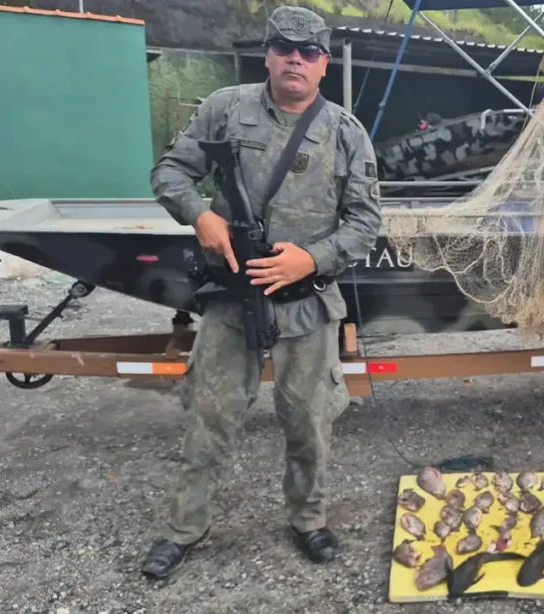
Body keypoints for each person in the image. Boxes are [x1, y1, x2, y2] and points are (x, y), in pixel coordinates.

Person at [140, 5, 382, 579]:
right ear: (268, 54)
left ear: (324, 63)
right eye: (284, 48)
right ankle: (185, 528)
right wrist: (200, 215)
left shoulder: (345, 132)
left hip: (307, 305)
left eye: (309, 51)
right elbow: (170, 172)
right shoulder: (225, 109)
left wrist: (311, 258)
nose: (296, 59)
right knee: (210, 417)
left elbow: (366, 223)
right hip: (231, 298)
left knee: (309, 422)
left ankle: (308, 519)